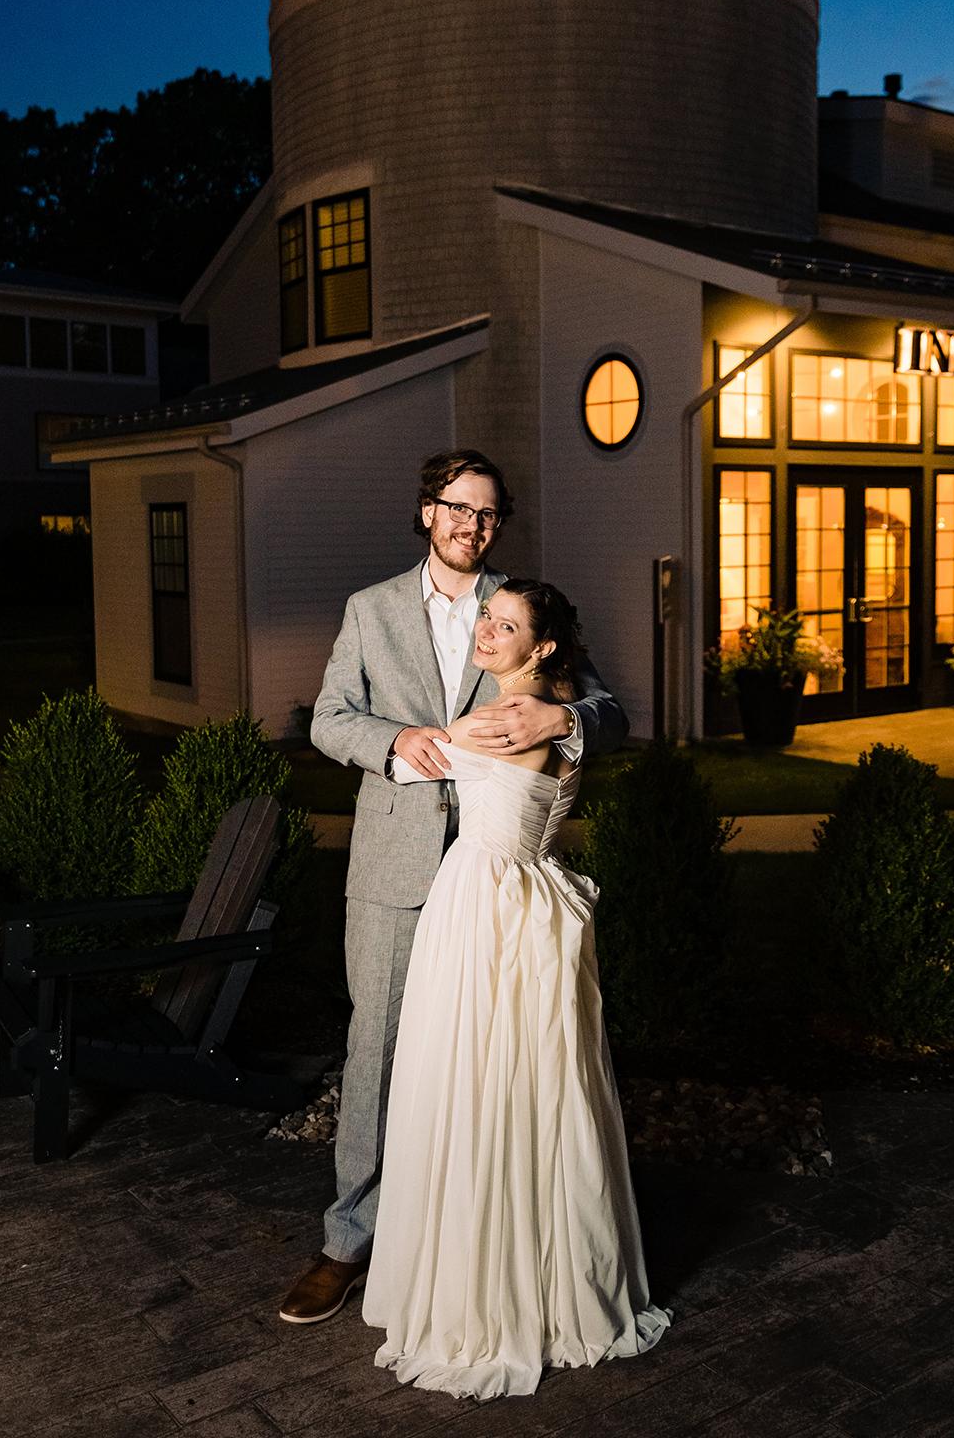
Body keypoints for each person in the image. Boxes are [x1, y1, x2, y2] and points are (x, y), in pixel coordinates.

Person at [278, 450, 628, 1325]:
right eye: (456, 509)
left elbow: (610, 711)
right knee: (382, 1049)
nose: (471, 526)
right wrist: (394, 743)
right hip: (396, 867)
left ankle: (460, 1239)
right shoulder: (371, 609)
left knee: (490, 1059)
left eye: (487, 514)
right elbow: (326, 717)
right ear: (427, 511)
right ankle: (347, 1242)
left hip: (497, 880)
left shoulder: (523, 607)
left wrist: (566, 718)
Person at [362, 579, 670, 1397]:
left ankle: (490, 1293)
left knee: (485, 1084)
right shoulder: (545, 705)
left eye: (508, 626)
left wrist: (412, 738)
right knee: (520, 1084)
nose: (487, 632)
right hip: (511, 897)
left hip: (489, 908)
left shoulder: (504, 719)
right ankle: (527, 1268)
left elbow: (420, 760)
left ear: (542, 649)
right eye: (487, 619)